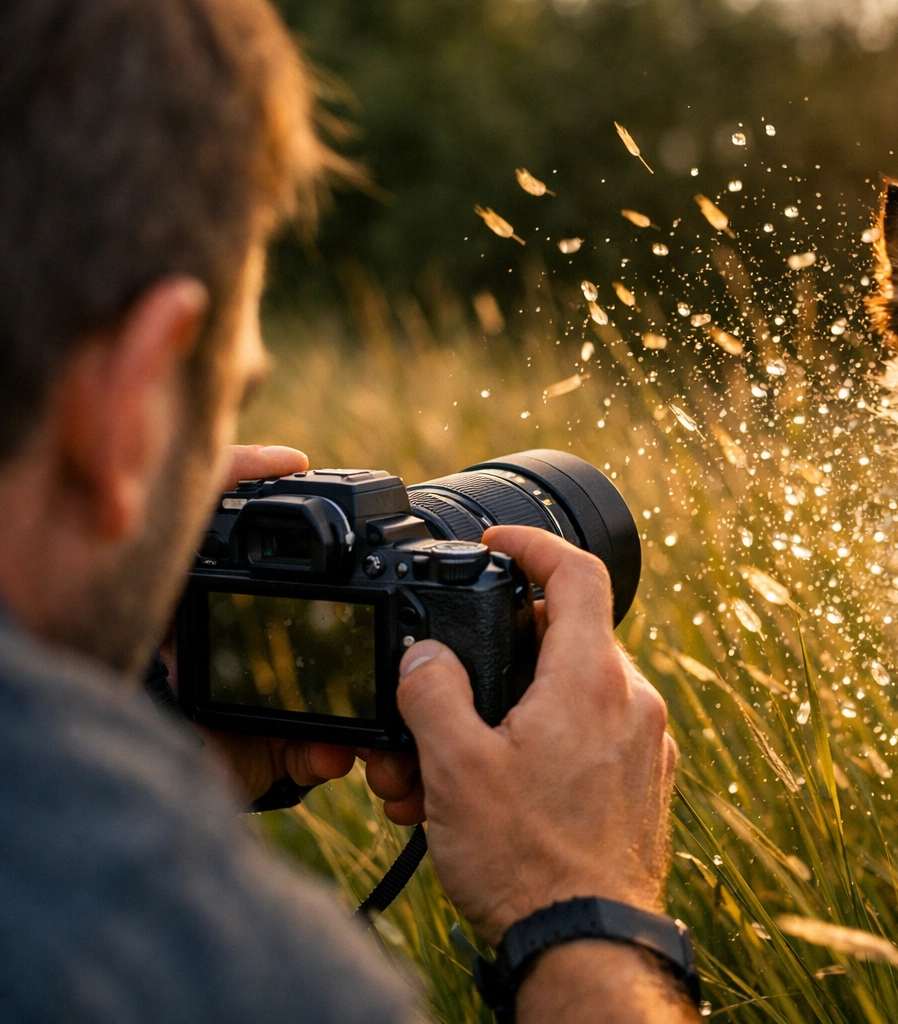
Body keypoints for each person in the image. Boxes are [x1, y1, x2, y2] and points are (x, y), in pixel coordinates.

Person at [0, 1, 696, 1021]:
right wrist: (585, 907)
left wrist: (113, 723)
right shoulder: (207, 962)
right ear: (130, 407)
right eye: (228, 396)